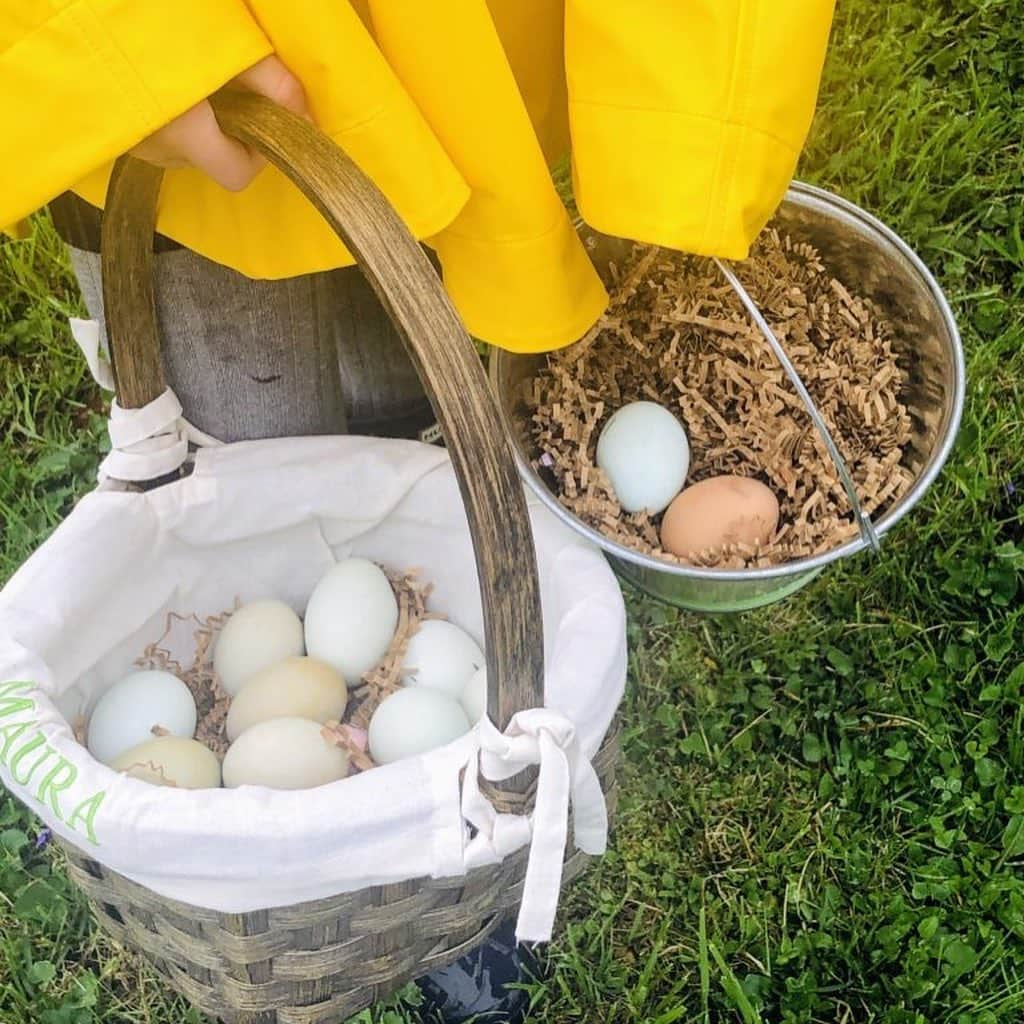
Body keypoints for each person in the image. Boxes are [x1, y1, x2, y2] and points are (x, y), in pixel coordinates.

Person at [1, 1, 836, 1018]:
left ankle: (437, 880)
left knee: (420, 371)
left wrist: (684, 136)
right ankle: (322, 876)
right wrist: (121, 49)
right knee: (242, 411)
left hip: (451, 51)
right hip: (202, 59)